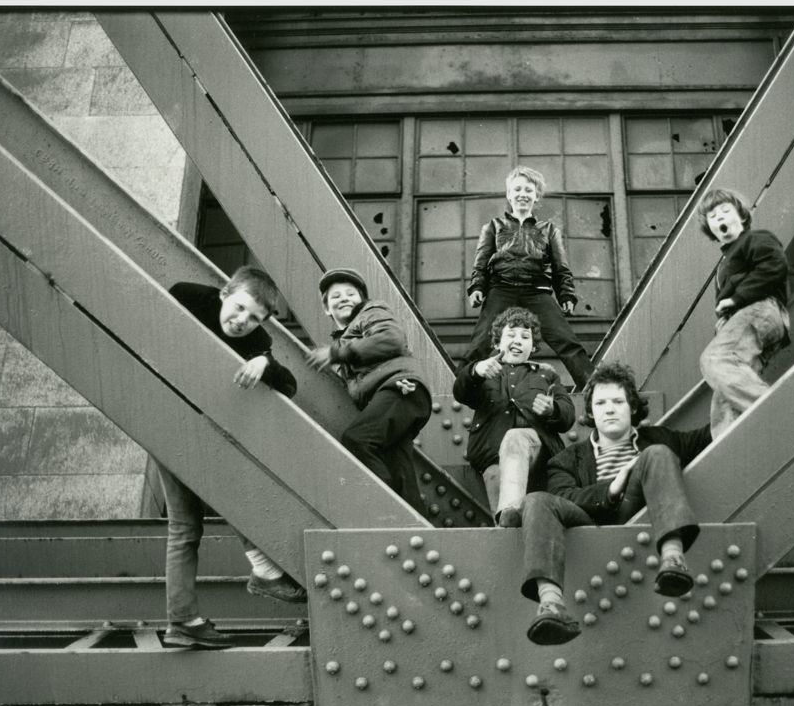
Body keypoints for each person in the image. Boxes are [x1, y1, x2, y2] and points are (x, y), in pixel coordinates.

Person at [161, 266, 306, 649]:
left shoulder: (257, 341)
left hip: (201, 430)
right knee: (188, 525)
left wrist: (265, 362)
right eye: (240, 307)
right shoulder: (189, 295)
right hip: (168, 421)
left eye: (255, 318)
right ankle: (262, 570)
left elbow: (289, 385)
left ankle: (183, 621)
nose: (241, 321)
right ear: (225, 293)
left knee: (187, 526)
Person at [518, 362, 712, 645]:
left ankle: (673, 559)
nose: (609, 408)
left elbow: (712, 434)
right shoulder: (567, 459)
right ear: (591, 412)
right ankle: (551, 604)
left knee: (658, 453)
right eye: (601, 403)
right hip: (593, 517)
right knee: (536, 500)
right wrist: (611, 488)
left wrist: (732, 378)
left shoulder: (660, 439)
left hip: (637, 510)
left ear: (632, 407)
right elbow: (564, 497)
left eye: (618, 401)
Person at [305, 268, 430, 516]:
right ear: (327, 309)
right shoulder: (343, 341)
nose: (343, 298)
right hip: (394, 396)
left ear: (361, 300)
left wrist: (335, 354)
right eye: (335, 296)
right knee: (397, 465)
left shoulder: (371, 312)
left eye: (351, 294)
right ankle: (415, 520)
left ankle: (386, 510)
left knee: (357, 440)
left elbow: (391, 338)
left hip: (399, 387)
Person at [464, 166, 595, 390]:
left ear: (536, 196)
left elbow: (560, 267)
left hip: (538, 291)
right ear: (509, 195)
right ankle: (462, 386)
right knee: (481, 342)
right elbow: (481, 263)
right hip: (501, 290)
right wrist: (477, 287)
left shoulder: (549, 230)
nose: (522, 194)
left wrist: (566, 294)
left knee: (567, 342)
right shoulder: (494, 227)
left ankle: (595, 388)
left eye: (528, 190)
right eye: (517, 189)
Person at [452, 307, 575, 527]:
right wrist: (476, 371)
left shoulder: (546, 374)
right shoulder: (485, 372)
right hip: (492, 456)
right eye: (511, 335)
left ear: (534, 346)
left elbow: (568, 414)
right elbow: (461, 392)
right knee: (495, 479)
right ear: (498, 343)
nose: (518, 340)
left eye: (525, 337)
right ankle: (506, 524)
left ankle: (510, 509)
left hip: (537, 451)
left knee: (516, 437)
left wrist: (552, 410)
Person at [696, 188, 790, 438]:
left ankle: (771, 412)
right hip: (749, 322)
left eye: (726, 211)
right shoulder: (726, 261)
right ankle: (728, 444)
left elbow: (775, 265)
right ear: (710, 229)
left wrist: (737, 298)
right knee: (726, 393)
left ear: (742, 216)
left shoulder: (756, 239)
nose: (720, 218)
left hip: (759, 311)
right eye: (713, 217)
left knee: (715, 360)